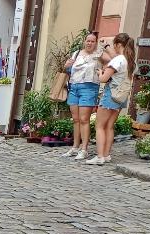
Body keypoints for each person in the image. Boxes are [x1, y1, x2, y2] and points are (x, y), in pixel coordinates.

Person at [87, 33, 136, 165]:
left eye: (114, 45)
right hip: (121, 97)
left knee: (99, 126)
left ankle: (100, 156)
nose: (113, 47)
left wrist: (100, 73)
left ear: (118, 45)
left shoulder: (117, 60)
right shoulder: (130, 61)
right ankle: (106, 154)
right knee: (109, 126)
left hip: (111, 95)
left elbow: (103, 79)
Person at [62, 31, 103, 161]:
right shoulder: (76, 53)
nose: (89, 43)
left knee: (84, 119)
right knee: (75, 119)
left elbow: (112, 60)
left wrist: (105, 47)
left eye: (92, 41)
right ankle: (75, 146)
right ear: (84, 41)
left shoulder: (99, 55)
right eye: (88, 41)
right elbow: (69, 70)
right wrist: (66, 66)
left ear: (96, 43)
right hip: (74, 87)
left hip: (89, 88)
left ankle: (84, 149)